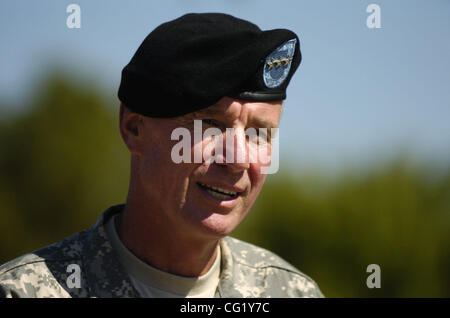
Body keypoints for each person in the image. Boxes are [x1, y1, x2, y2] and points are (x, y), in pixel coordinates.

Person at [0, 13, 323, 298]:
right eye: (210, 124)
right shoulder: (26, 291)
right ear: (133, 128)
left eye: (259, 134)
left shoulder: (291, 293)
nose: (237, 159)